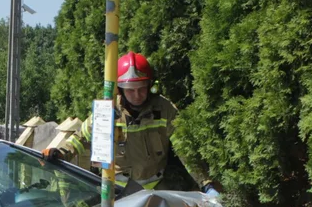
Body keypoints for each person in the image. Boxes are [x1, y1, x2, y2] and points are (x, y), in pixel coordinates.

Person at [44, 52, 201, 192]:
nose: (137, 95)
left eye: (141, 88)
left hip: (155, 189)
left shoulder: (164, 109)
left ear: (150, 86)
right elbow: (81, 138)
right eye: (130, 90)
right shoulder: (108, 111)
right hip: (116, 191)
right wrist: (60, 153)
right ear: (120, 90)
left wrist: (206, 183)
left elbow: (184, 148)